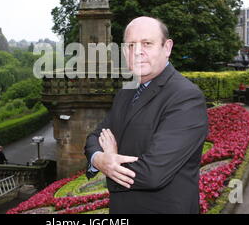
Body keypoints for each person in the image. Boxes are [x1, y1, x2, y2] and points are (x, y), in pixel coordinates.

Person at [84, 16, 209, 214]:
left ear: (166, 48)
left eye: (147, 44)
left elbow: (152, 173)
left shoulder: (186, 97)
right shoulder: (126, 92)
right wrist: (99, 159)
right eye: (131, 45)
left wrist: (111, 163)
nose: (137, 52)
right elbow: (94, 138)